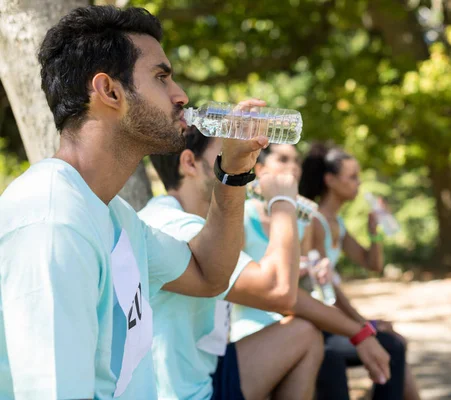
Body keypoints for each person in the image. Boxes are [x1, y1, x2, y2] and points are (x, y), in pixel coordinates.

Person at [0, 6, 267, 399]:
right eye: (162, 77)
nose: (181, 95)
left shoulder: (113, 214)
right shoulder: (53, 224)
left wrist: (233, 172)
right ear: (109, 91)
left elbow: (210, 274)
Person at [139, 127, 323, 400]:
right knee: (306, 336)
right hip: (183, 393)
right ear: (190, 163)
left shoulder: (188, 221)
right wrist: (283, 202)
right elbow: (280, 291)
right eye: (227, 155)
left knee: (305, 335)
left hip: (206, 371)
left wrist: (360, 331)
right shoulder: (173, 225)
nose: (243, 161)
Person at [230, 144, 404, 394]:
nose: (292, 167)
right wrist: (363, 324)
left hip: (300, 320)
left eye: (296, 161)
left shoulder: (303, 221)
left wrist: (314, 276)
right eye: (283, 159)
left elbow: (305, 285)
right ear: (260, 168)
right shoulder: (243, 216)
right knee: (332, 356)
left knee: (386, 348)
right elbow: (234, 280)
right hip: (255, 325)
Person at [299, 143, 421, 400]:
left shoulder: (337, 223)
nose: (358, 183)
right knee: (393, 345)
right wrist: (364, 324)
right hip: (319, 322)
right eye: (352, 177)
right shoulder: (316, 223)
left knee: (394, 341)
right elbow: (327, 288)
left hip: (333, 320)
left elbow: (372, 264)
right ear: (330, 180)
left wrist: (374, 232)